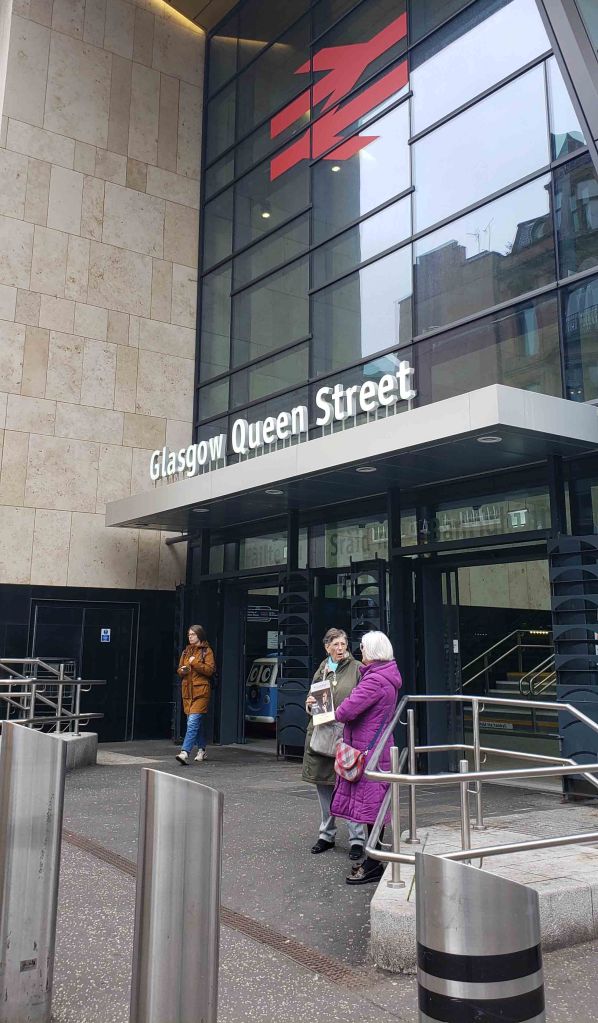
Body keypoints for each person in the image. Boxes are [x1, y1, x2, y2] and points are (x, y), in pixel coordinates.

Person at [330, 630, 402, 885]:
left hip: (368, 751)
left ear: (371, 651)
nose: (359, 651)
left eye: (362, 647)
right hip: (379, 748)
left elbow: (345, 711)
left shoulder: (374, 681)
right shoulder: (388, 676)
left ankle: (373, 862)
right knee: (375, 806)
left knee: (372, 808)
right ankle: (374, 858)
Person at [302, 628, 367, 860]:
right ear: (327, 647)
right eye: (336, 645)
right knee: (323, 786)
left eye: (343, 644)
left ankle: (357, 839)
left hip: (346, 736)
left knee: (350, 787)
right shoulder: (322, 669)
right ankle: (326, 835)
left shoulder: (357, 668)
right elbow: (311, 700)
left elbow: (364, 700)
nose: (340, 649)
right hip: (321, 737)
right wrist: (310, 704)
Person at [175, 624, 216, 765]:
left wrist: (195, 663)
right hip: (188, 692)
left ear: (200, 635)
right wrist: (183, 670)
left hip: (201, 692)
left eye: (193, 634)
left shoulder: (207, 651)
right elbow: (179, 670)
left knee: (192, 722)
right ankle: (202, 749)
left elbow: (210, 670)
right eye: (189, 634)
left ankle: (185, 752)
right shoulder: (186, 651)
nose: (190, 637)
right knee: (195, 723)